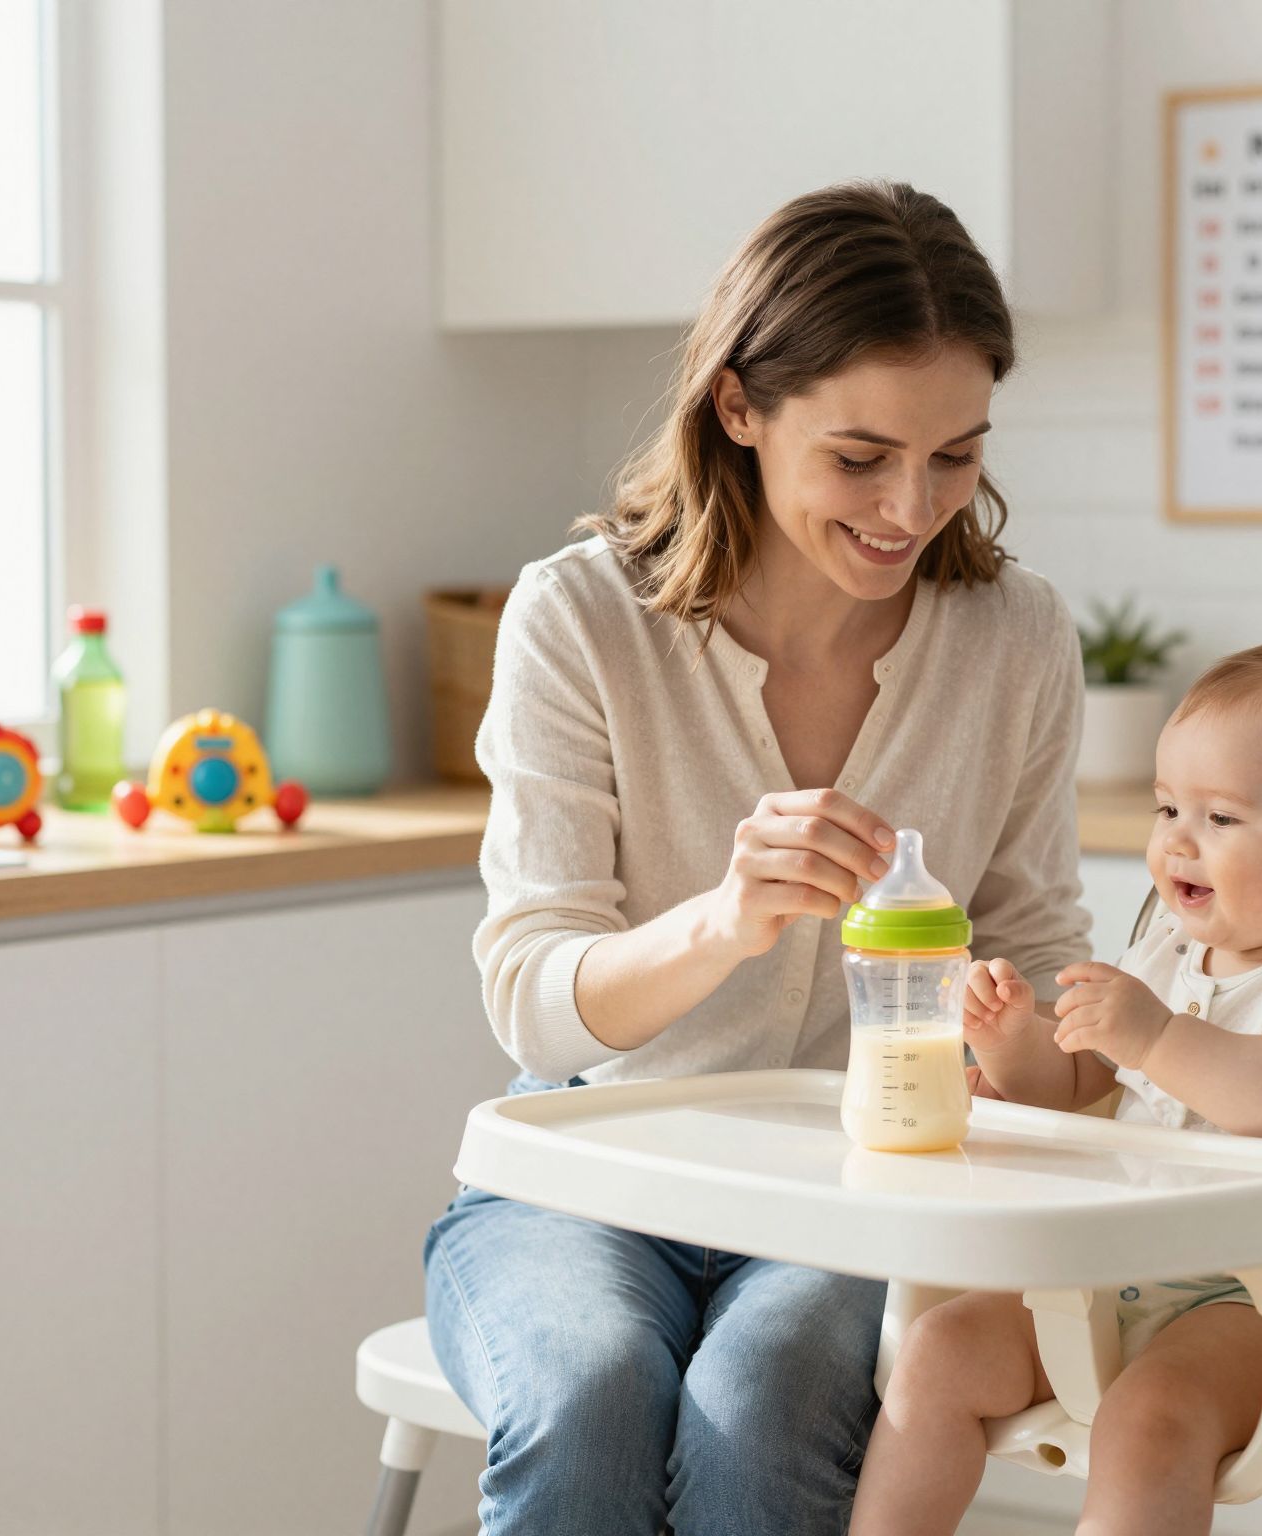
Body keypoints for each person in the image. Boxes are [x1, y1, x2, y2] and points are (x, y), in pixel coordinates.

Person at [422, 180, 1092, 1534]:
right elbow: (532, 998)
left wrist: (1031, 1033)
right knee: (588, 1396)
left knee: (762, 1412)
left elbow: (1037, 956)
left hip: (865, 1194)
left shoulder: (1013, 637)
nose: (910, 506)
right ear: (739, 407)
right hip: (587, 1179)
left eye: (955, 456)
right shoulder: (579, 619)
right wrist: (723, 920)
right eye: (861, 457)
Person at [852, 637, 1262, 1536]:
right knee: (938, 1351)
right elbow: (1073, 1081)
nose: (1177, 841)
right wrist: (1013, 1043)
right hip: (1114, 1267)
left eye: (1222, 817)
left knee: (1148, 1420)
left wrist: (1160, 1036)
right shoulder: (1165, 951)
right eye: (1168, 807)